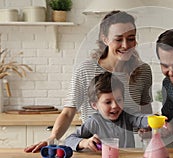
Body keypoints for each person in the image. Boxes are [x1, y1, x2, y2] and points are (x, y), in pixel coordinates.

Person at [24, 10, 153, 153]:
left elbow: (146, 110)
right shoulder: (87, 69)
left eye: (131, 38)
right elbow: (68, 112)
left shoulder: (143, 71)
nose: (125, 45)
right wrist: (52, 138)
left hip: (130, 151)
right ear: (105, 39)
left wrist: (150, 130)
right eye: (118, 39)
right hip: (94, 151)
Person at [65, 72, 149, 151]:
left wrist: (154, 120)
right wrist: (84, 142)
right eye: (108, 102)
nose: (115, 106)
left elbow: (141, 118)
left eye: (119, 100)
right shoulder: (94, 122)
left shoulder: (127, 115)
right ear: (94, 105)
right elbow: (69, 140)